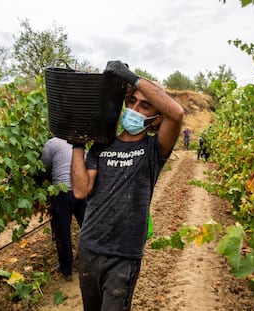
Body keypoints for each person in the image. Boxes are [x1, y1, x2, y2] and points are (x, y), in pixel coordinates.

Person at [71, 60, 184, 310]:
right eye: (132, 101)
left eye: (145, 106)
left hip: (123, 255)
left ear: (156, 120)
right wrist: (77, 144)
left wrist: (132, 78)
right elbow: (80, 190)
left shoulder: (153, 150)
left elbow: (176, 113)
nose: (134, 108)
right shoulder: (101, 146)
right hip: (90, 248)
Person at [41, 137, 86, 281]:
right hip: (82, 189)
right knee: (87, 227)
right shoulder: (79, 144)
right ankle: (87, 262)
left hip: (63, 192)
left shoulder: (52, 143)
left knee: (63, 231)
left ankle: (66, 270)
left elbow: (44, 168)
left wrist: (41, 182)